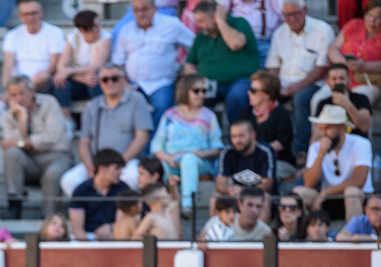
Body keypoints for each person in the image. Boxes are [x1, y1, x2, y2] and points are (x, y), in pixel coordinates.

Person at [61, 64, 153, 197]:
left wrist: (119, 164)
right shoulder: (93, 105)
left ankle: (116, 213)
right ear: (100, 82)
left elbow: (142, 137)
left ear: (123, 79)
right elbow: (84, 141)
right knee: (69, 180)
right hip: (98, 163)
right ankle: (94, 212)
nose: (110, 82)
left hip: (127, 162)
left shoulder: (136, 100)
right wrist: (88, 165)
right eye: (105, 79)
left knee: (132, 177)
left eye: (114, 78)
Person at [112, 0, 194, 129]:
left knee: (163, 106)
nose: (141, 13)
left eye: (145, 9)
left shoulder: (171, 25)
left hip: (160, 83)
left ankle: (153, 146)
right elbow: (118, 62)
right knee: (119, 105)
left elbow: (194, 46)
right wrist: (125, 84)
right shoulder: (126, 30)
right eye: (137, 10)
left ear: (155, 9)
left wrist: (186, 67)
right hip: (132, 85)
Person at [0, 75, 72, 219]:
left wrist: (22, 143)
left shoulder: (49, 103)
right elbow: (10, 143)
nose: (19, 98)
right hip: (30, 161)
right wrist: (23, 118)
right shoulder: (8, 115)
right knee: (12, 154)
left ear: (32, 90)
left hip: (57, 157)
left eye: (22, 93)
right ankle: (14, 206)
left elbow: (52, 137)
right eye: (14, 95)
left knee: (53, 173)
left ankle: (48, 217)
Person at [267, 0, 333, 157]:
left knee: (300, 99)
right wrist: (275, 87)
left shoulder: (323, 30)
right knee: (261, 95)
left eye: (296, 13)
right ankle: (266, 148)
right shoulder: (279, 33)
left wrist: (299, 86)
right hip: (283, 84)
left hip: (313, 83)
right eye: (288, 15)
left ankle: (302, 150)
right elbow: (273, 66)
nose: (292, 18)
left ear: (305, 11)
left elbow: (323, 66)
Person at [152, 74, 222, 214]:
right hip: (171, 161)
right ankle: (163, 208)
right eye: (196, 91)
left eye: (204, 91)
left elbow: (218, 147)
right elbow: (156, 146)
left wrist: (202, 153)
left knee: (188, 159)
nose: (201, 94)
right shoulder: (169, 115)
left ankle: (187, 205)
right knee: (157, 167)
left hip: (198, 161)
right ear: (184, 91)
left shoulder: (209, 116)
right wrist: (168, 159)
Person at [294, 104, 372, 222]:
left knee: (351, 192)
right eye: (321, 128)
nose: (323, 133)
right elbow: (308, 183)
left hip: (357, 198)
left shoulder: (360, 143)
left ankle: (351, 236)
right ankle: (302, 236)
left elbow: (358, 181)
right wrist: (320, 155)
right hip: (327, 199)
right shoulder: (316, 147)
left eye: (327, 128)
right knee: (298, 193)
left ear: (341, 127)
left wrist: (326, 192)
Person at [184, 1, 258, 124]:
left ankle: (237, 138)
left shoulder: (239, 23)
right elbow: (189, 64)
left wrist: (221, 22)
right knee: (190, 96)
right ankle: (199, 138)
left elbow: (235, 44)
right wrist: (197, 80)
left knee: (236, 97)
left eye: (201, 21)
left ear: (214, 18)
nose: (198, 25)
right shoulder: (202, 35)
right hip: (210, 85)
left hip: (240, 81)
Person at [326, 0, 381, 108]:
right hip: (341, 77)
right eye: (369, 16)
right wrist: (342, 63)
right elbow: (333, 48)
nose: (372, 21)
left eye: (377, 17)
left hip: (366, 81)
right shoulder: (354, 24)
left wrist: (364, 66)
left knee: (358, 102)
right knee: (318, 101)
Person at [51, 10, 111, 118]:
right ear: (82, 30)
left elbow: (97, 66)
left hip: (96, 79)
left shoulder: (106, 37)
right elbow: (61, 66)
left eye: (100, 24)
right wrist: (82, 78)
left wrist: (71, 70)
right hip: (79, 80)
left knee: (94, 79)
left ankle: (101, 118)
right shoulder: (73, 37)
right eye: (95, 27)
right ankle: (67, 121)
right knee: (60, 81)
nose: (99, 29)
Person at [0, 0, 65, 97]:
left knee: (43, 76)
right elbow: (8, 64)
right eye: (26, 14)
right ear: (20, 16)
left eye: (34, 13)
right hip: (19, 79)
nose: (30, 17)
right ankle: (14, 93)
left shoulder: (55, 32)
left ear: (41, 13)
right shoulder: (12, 35)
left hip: (43, 80)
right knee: (11, 76)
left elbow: (54, 65)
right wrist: (7, 86)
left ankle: (8, 99)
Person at [215, 118, 276, 220]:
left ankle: (260, 235)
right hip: (237, 196)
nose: (237, 140)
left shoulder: (266, 151)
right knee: (216, 197)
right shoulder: (227, 152)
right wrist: (229, 190)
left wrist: (244, 191)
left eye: (241, 136)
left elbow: (267, 184)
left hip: (258, 195)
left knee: (266, 197)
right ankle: (219, 233)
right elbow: (220, 183)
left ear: (253, 135)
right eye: (233, 136)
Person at [242, 70, 295, 179]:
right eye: (249, 89)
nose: (249, 93)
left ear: (267, 94)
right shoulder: (246, 113)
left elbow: (281, 143)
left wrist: (255, 156)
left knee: (259, 173)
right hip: (251, 160)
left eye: (253, 90)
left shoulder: (281, 114)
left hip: (280, 162)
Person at [69, 147, 129, 241]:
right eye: (117, 168)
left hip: (115, 236)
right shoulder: (81, 191)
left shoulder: (123, 189)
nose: (121, 172)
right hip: (87, 238)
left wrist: (109, 227)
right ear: (102, 168)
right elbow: (77, 229)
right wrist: (88, 249)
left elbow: (124, 221)